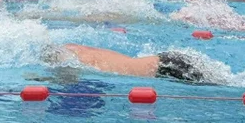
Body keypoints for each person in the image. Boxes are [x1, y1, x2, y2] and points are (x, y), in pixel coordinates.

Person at [52, 44, 212, 82]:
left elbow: (70, 78)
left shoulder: (70, 59)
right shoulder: (78, 48)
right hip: (167, 59)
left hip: (166, 69)